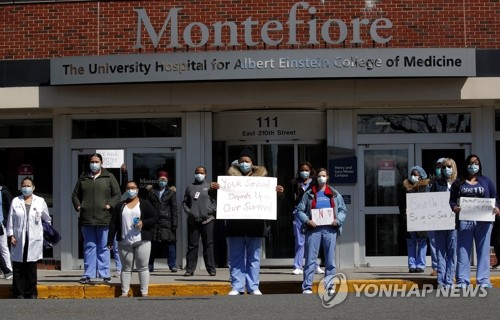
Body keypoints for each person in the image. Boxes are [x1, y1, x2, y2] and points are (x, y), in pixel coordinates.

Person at [226, 146, 284, 295]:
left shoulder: (263, 180)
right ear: (237, 163)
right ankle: (237, 286)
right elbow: (219, 199)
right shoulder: (230, 181)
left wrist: (278, 193)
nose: (244, 163)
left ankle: (253, 286)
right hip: (235, 224)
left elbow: (272, 201)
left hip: (255, 225)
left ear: (252, 163)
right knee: (236, 257)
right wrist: (216, 190)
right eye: (241, 161)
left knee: (254, 257)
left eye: (247, 161)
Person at [450, 154, 500, 288]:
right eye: (471, 163)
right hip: (465, 220)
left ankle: (483, 280)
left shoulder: (486, 181)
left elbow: (495, 197)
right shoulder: (458, 182)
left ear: (480, 165)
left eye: (476, 163)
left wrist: (497, 208)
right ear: (466, 165)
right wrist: (454, 207)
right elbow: (452, 200)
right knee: (463, 251)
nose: (473, 166)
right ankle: (462, 281)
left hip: (483, 221)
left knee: (483, 251)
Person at [72, 153, 122, 284]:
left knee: (104, 247)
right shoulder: (83, 178)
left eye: (96, 161)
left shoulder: (109, 177)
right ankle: (88, 274)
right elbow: (75, 195)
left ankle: (104, 274)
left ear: (101, 163)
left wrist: (109, 205)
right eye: (92, 161)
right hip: (87, 219)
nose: (94, 164)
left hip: (104, 218)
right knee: (89, 247)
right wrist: (78, 206)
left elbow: (117, 195)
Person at [296, 168, 347, 295]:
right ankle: (307, 286)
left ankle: (330, 286)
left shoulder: (335, 194)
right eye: (319, 176)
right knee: (310, 260)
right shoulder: (309, 194)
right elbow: (299, 210)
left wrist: (338, 221)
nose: (321, 178)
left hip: (330, 229)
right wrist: (307, 221)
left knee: (330, 260)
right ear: (316, 178)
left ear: (327, 177)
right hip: (313, 230)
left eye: (323, 176)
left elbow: (342, 210)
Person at [108, 180, 156, 297]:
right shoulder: (120, 206)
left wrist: (143, 222)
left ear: (138, 189)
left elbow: (154, 219)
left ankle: (144, 292)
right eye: (128, 188)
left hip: (142, 241)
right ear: (126, 190)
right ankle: (124, 292)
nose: (131, 190)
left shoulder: (144, 204)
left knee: (143, 267)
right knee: (126, 268)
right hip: (124, 242)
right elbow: (113, 224)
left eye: (133, 188)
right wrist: (110, 240)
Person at [6, 177, 51, 298]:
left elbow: (47, 219)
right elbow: (11, 219)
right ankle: (18, 293)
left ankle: (31, 292)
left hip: (34, 238)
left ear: (33, 187)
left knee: (31, 267)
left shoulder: (40, 201)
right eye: (23, 186)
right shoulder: (16, 201)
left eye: (28, 186)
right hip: (18, 238)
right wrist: (11, 235)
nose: (26, 188)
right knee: (18, 267)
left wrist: (44, 232)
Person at [182, 166, 219, 277]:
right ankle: (190, 269)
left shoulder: (210, 187)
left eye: (201, 172)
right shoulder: (190, 187)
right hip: (193, 221)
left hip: (208, 220)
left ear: (205, 174)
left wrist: (210, 211)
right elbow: (185, 203)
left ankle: (211, 269)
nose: (199, 174)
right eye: (197, 172)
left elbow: (216, 201)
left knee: (208, 245)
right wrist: (190, 212)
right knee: (192, 245)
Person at [291, 162, 324, 275]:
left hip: (312, 213)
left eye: (306, 170)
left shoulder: (315, 183)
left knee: (313, 240)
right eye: (302, 170)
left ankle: (315, 265)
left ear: (310, 171)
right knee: (300, 241)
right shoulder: (295, 183)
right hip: (298, 214)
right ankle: (298, 266)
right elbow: (289, 198)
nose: (304, 172)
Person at [430, 158, 458, 287]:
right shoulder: (437, 183)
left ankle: (449, 278)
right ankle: (441, 280)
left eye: (449, 166)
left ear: (454, 167)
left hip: (454, 223)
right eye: (445, 166)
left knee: (452, 251)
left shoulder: (459, 183)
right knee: (440, 251)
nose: (447, 169)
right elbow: (430, 200)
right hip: (440, 221)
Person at [398, 166, 430, 273]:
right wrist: (404, 214)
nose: (413, 176)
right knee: (411, 242)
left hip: (422, 219)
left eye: (416, 174)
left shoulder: (425, 188)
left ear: (421, 176)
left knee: (422, 241)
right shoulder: (405, 188)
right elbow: (401, 204)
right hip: (409, 220)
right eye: (412, 174)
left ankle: (420, 265)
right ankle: (412, 265)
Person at [146, 170, 178, 272]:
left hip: (167, 221)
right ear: (157, 180)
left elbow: (174, 209)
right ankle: (150, 265)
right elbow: (147, 206)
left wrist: (174, 223)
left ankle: (172, 265)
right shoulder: (151, 192)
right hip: (154, 222)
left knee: (170, 244)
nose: (162, 181)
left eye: (164, 179)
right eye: (161, 179)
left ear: (167, 180)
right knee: (152, 245)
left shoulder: (171, 193)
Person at [428, 158, 445, 277]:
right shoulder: (430, 183)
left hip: (447, 218)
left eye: (442, 167)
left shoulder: (453, 182)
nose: (439, 169)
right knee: (434, 242)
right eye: (438, 166)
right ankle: (436, 267)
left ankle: (448, 266)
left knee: (449, 243)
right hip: (433, 217)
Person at [0, 175, 13, 280]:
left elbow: (10, 208)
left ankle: (8, 269)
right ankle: (5, 270)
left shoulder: (3, 192)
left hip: (1, 224)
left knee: (3, 247)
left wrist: (7, 223)